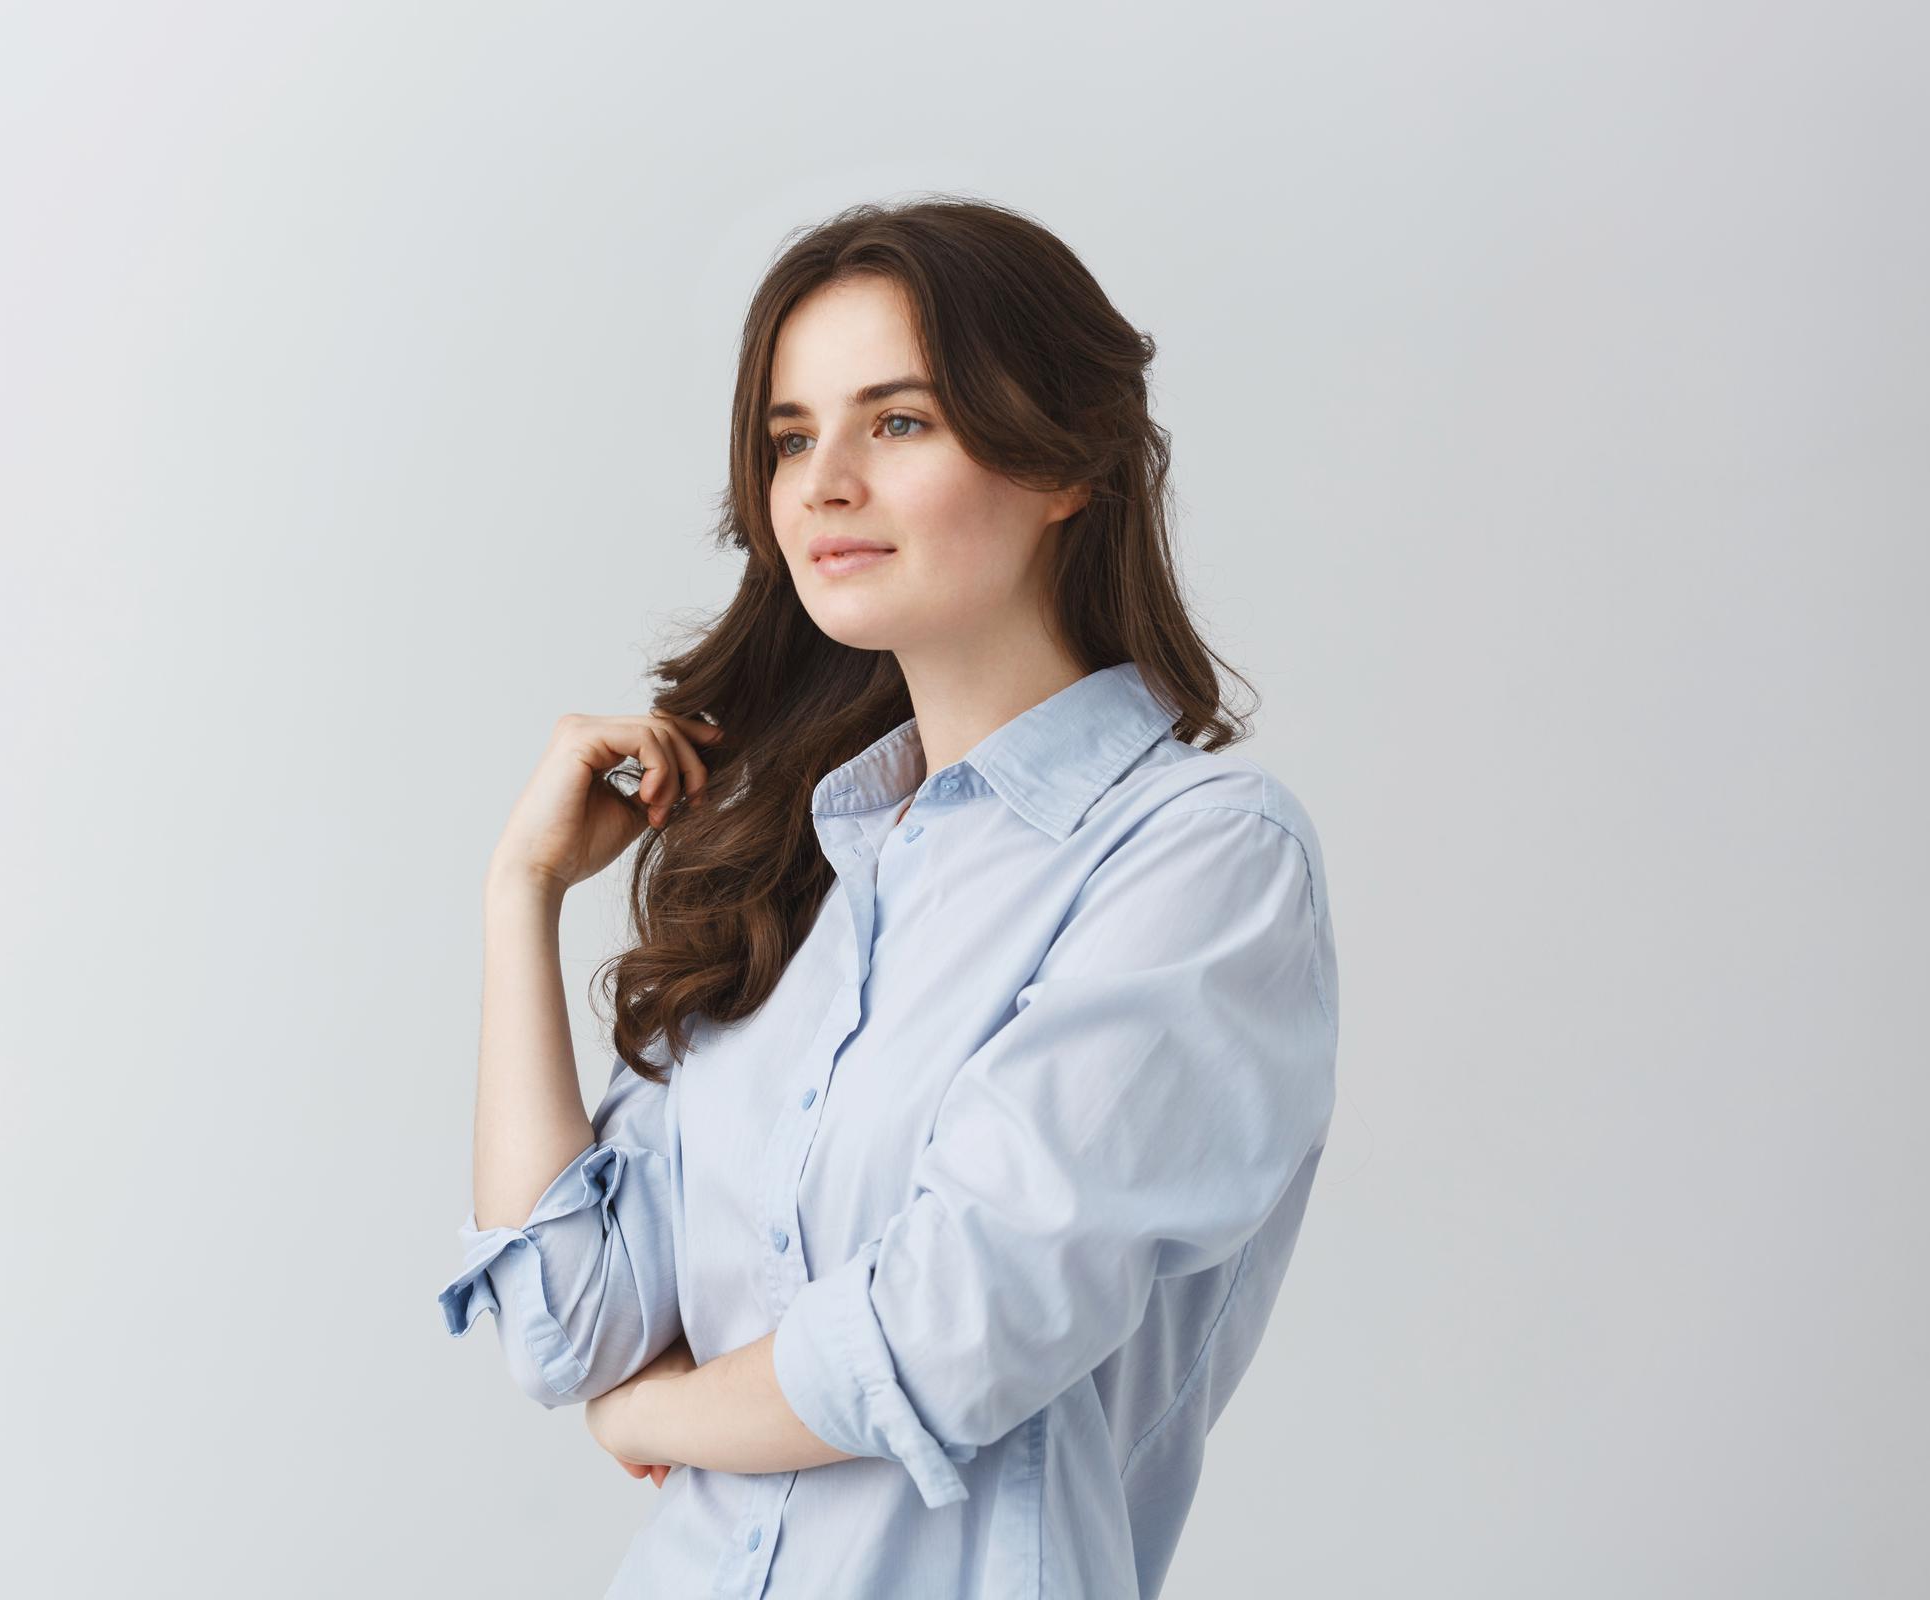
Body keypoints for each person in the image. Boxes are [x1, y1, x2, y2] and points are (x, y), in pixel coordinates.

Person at [436, 196, 1341, 1599]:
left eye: (898, 422)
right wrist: (520, 897)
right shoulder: (800, 870)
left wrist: (654, 1415)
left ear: (1067, 467)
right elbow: (567, 1322)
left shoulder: (1200, 860)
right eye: (793, 436)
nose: (822, 484)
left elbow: (949, 1333)